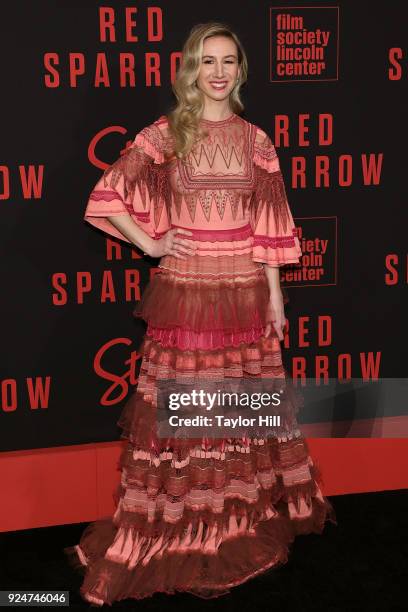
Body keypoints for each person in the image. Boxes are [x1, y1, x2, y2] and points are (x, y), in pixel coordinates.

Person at [64, 21, 337, 606]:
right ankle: (185, 522)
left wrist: (275, 295)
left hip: (243, 290)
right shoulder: (167, 134)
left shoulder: (257, 140)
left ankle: (233, 519)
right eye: (206, 61)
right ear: (191, 70)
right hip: (187, 290)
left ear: (240, 70)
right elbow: (106, 196)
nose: (218, 72)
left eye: (228, 61)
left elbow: (271, 227)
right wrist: (151, 243)